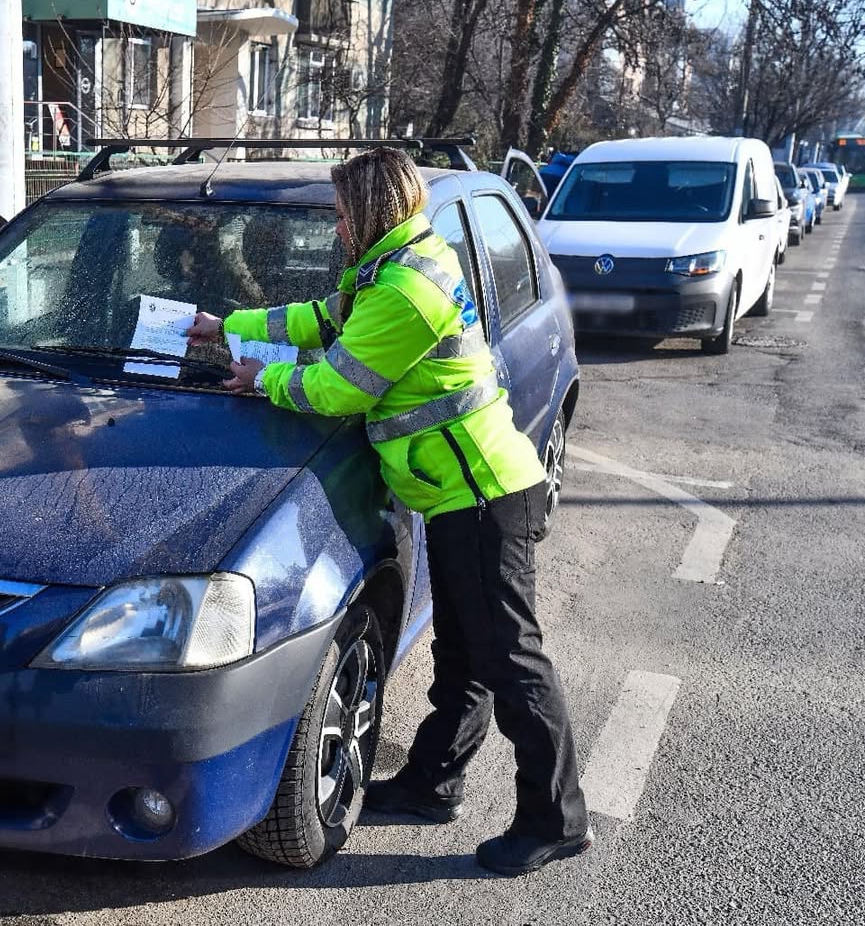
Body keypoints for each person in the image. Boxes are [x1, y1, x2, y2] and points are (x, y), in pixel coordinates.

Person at [185, 146, 592, 877]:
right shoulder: (389, 268)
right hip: (459, 493)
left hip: (483, 496)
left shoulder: (405, 290)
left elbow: (340, 386)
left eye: (345, 212)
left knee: (510, 660)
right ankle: (433, 783)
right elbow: (319, 319)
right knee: (462, 654)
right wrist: (228, 325)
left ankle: (555, 817)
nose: (338, 225)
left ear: (373, 210)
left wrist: (259, 378)